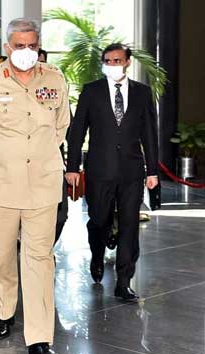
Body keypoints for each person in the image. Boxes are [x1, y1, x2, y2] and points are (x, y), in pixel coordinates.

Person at [0, 18, 70, 354]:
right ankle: (5, 310)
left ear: (37, 45)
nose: (25, 51)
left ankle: (39, 339)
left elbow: (61, 127)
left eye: (31, 45)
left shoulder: (55, 78)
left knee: (40, 259)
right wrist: (3, 158)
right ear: (7, 47)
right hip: (0, 184)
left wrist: (37, 158)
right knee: (0, 254)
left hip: (42, 183)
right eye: (18, 45)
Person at [66, 43, 159, 301]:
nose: (112, 65)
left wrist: (152, 170)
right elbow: (77, 132)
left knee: (129, 224)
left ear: (128, 62)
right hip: (99, 169)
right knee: (99, 220)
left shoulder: (142, 92)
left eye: (117, 60)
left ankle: (124, 281)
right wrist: (72, 167)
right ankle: (97, 254)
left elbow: (150, 133)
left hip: (132, 171)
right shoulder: (91, 91)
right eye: (108, 61)